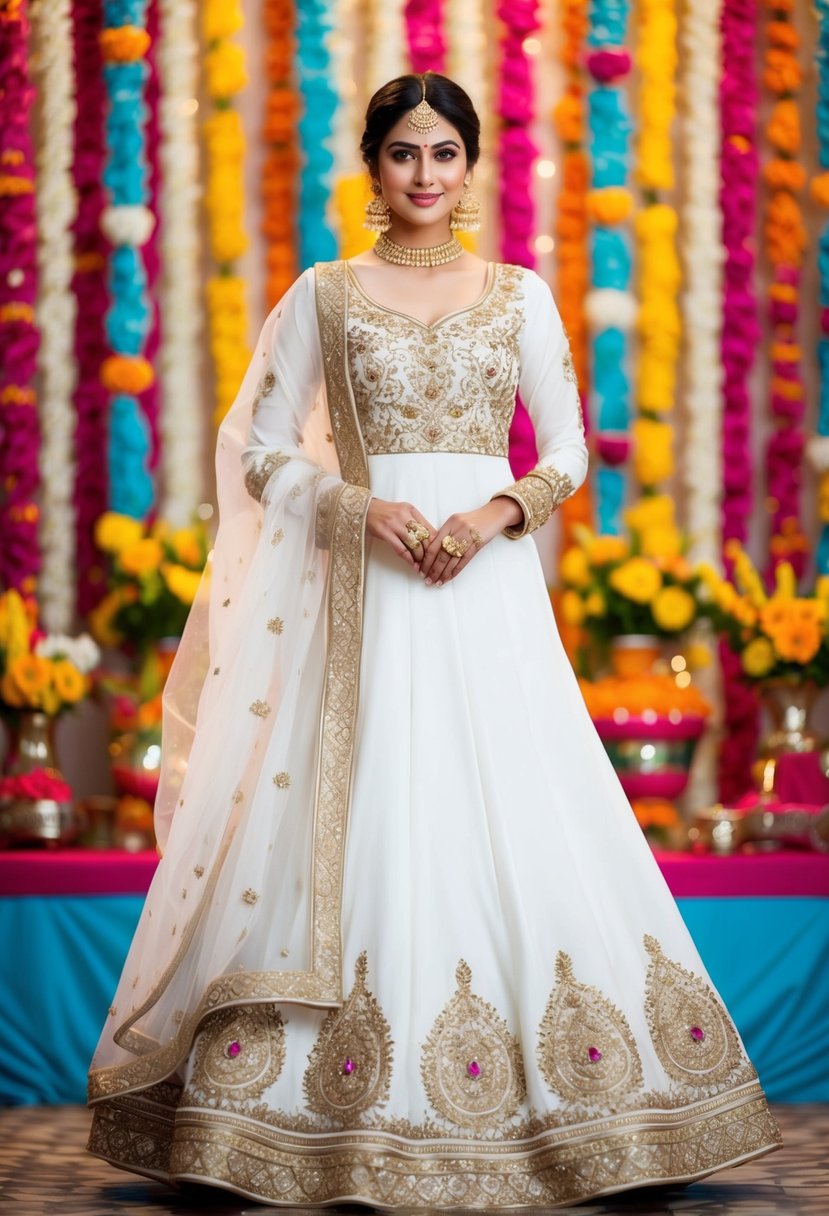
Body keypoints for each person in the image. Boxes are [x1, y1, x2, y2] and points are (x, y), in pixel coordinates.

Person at [87, 72, 780, 1209]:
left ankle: (593, 1115)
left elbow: (567, 449)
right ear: (373, 165)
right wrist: (361, 509)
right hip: (365, 593)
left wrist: (493, 513)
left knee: (516, 799)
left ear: (469, 164)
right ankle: (299, 1121)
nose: (424, 175)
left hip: (485, 590)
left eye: (443, 153)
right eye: (403, 153)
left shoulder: (518, 295)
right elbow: (256, 448)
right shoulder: (322, 294)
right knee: (363, 803)